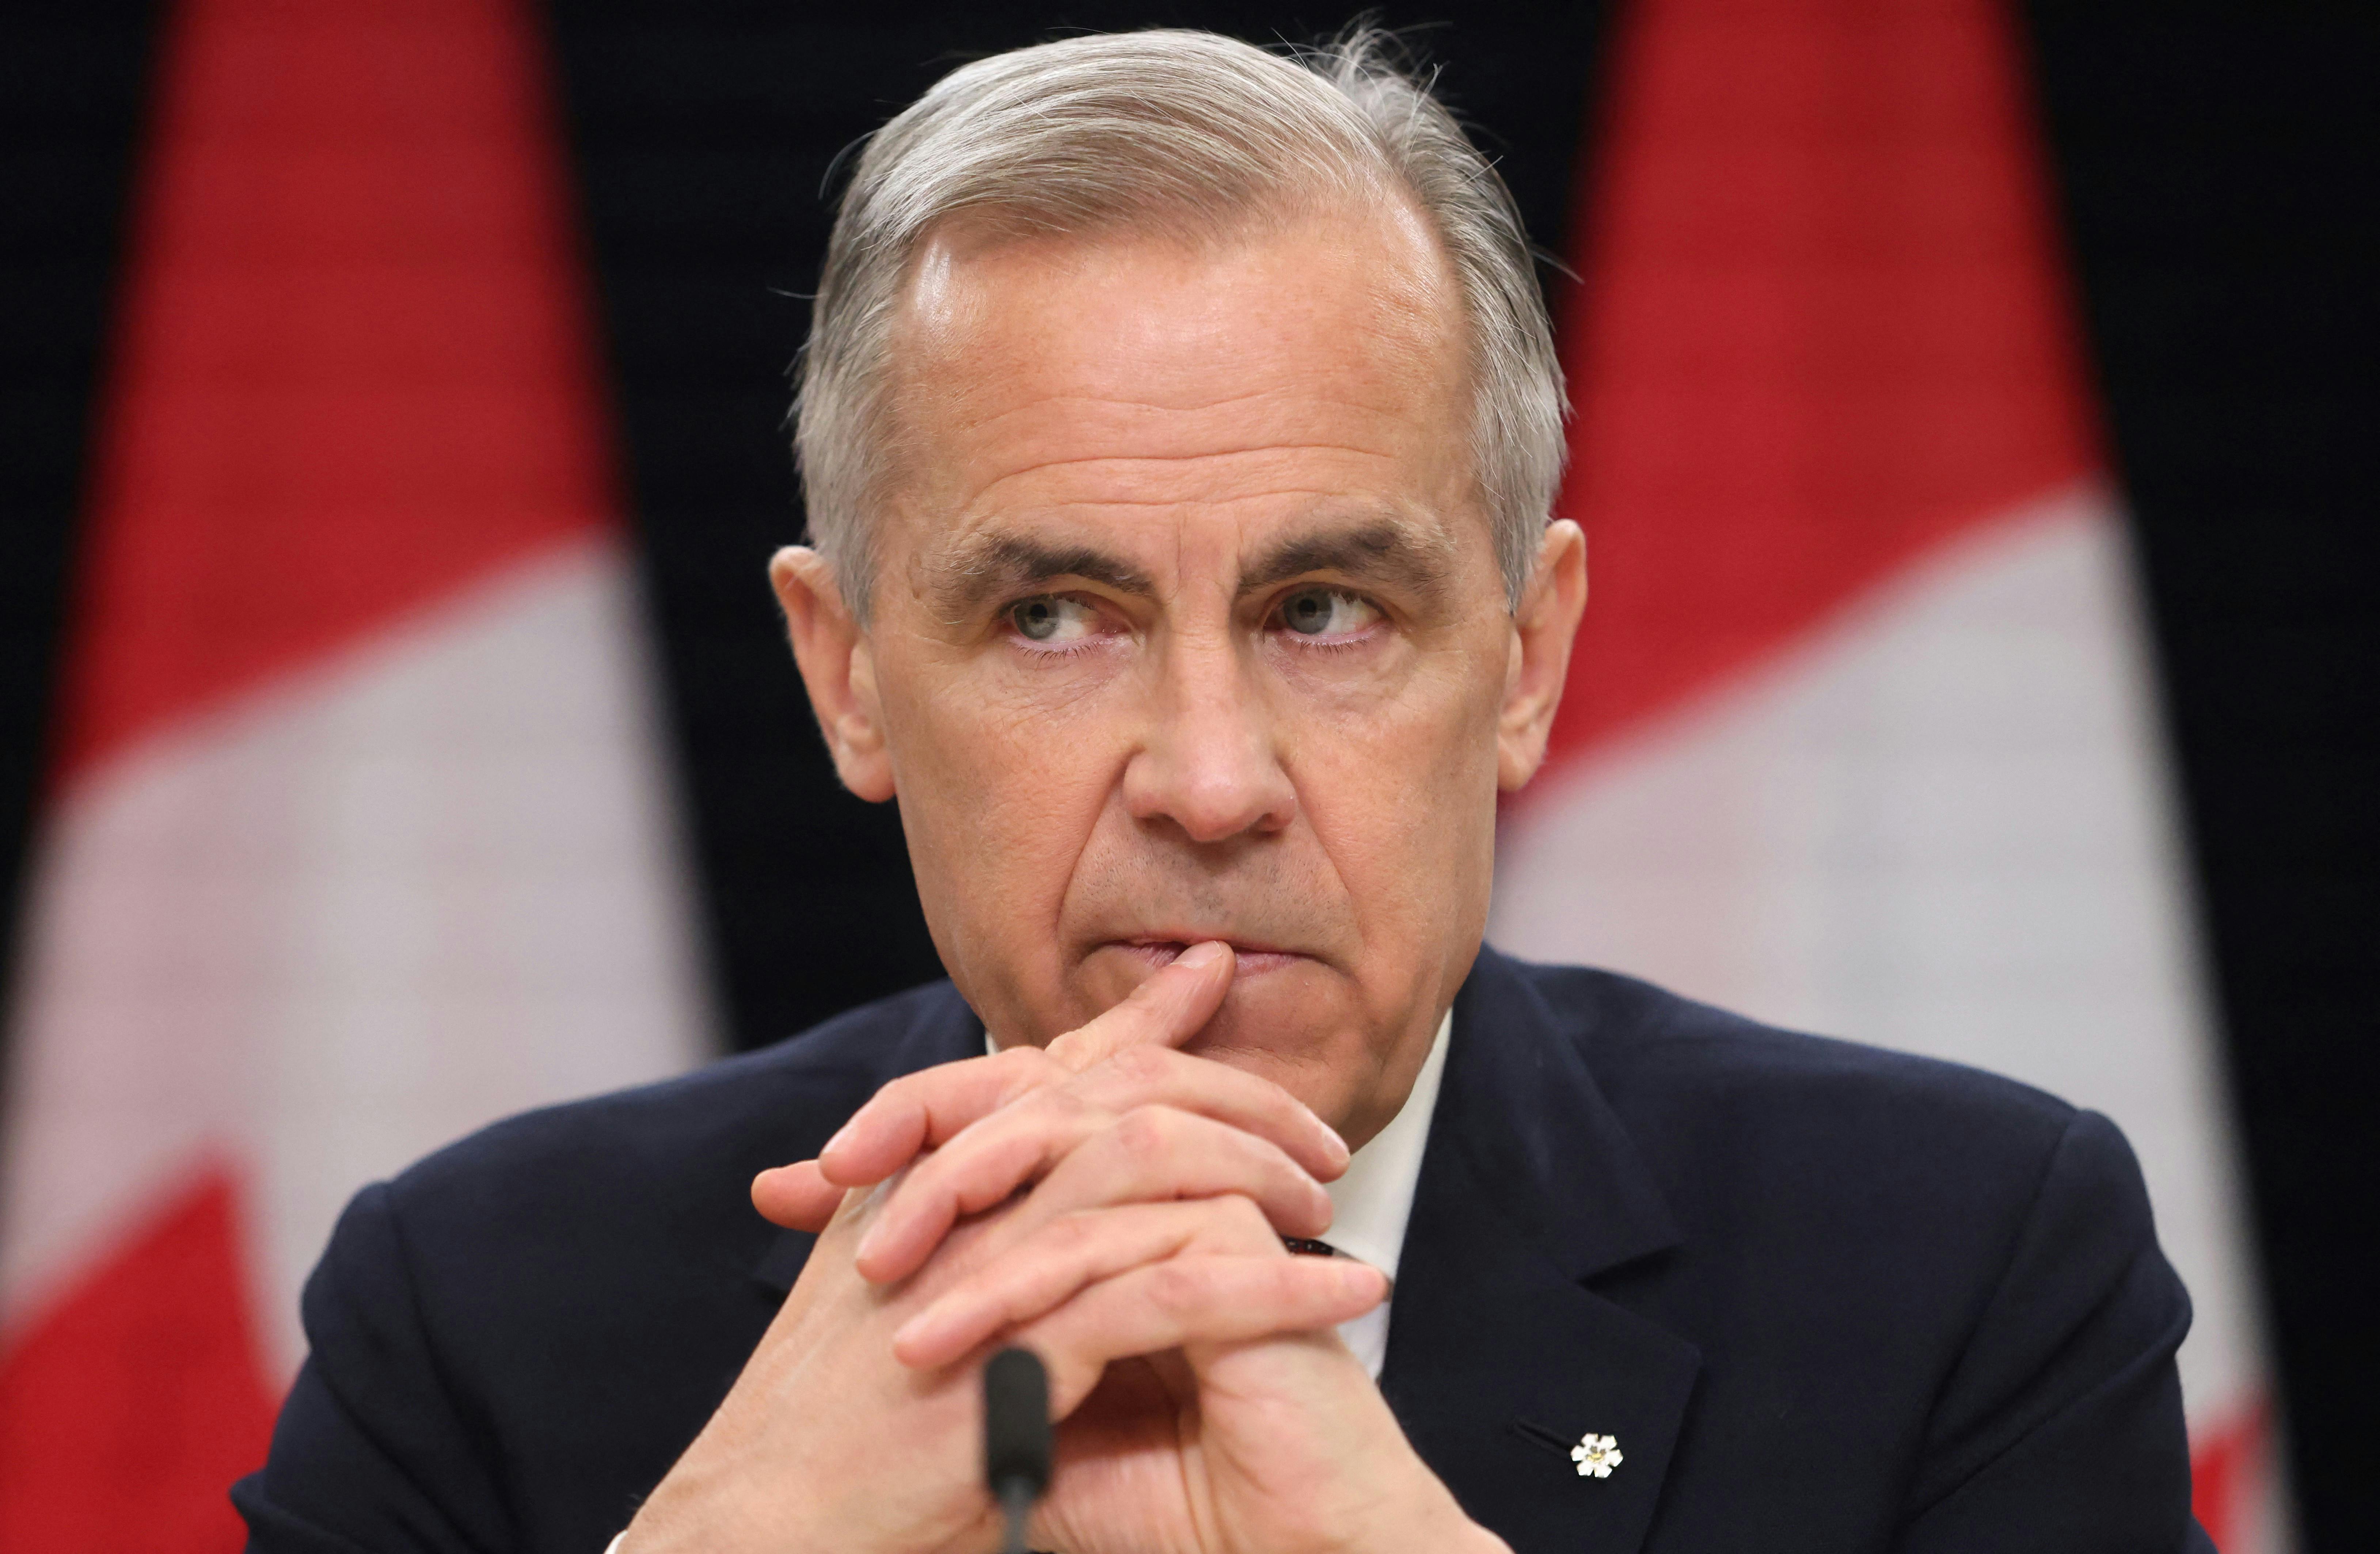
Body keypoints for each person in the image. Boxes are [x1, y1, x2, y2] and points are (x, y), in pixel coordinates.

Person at [235, 27, 2207, 1554]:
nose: (1206, 782)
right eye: (1053, 618)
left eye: (1324, 610)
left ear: (1522, 659)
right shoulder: (489, 1308)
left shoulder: (1952, 1264)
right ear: (847, 679)